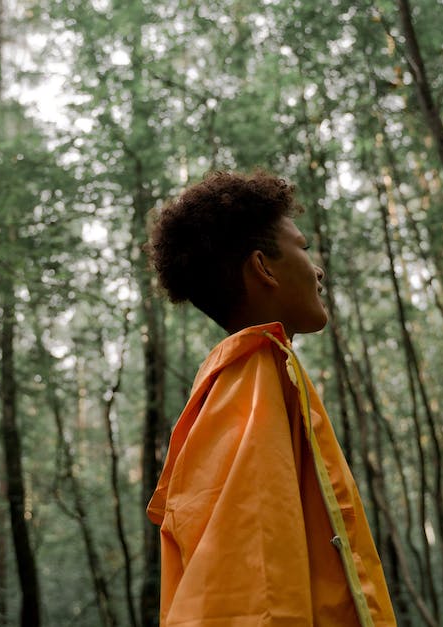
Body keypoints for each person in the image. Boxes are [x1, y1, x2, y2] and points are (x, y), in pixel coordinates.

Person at [145, 170, 395, 626]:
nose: (317, 268)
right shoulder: (248, 385)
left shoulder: (259, 375)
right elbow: (252, 583)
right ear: (263, 268)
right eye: (302, 247)